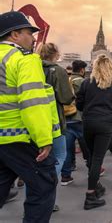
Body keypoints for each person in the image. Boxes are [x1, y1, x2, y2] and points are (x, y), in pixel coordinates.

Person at [0, 11, 58, 222]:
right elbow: (33, 102)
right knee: (43, 187)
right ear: (14, 35)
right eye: (28, 33)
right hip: (21, 137)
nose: (33, 39)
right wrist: (44, 139)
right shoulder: (24, 59)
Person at [76, 54, 112, 209]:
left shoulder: (87, 82)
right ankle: (90, 195)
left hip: (88, 122)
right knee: (98, 158)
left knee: (92, 157)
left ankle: (96, 185)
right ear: (111, 67)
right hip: (105, 122)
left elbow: (79, 104)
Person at [40, 43, 75, 212]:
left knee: (35, 163)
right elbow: (66, 97)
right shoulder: (57, 71)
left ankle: (34, 199)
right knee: (59, 157)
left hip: (33, 121)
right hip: (54, 121)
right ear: (56, 54)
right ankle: (46, 198)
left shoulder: (33, 67)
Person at [61, 60, 90, 186]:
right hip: (79, 117)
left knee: (67, 149)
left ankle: (65, 176)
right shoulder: (82, 81)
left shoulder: (66, 80)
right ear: (82, 70)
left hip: (66, 117)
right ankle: (93, 169)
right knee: (87, 146)